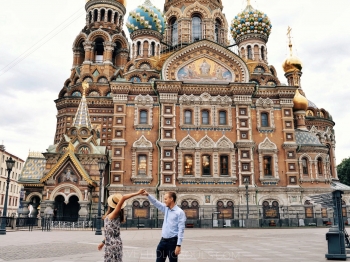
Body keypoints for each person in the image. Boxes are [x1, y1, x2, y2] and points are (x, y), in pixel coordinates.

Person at [97, 189, 144, 262]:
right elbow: (109, 233)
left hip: (112, 244)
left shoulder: (114, 214)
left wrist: (138, 193)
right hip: (111, 243)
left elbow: (124, 197)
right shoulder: (112, 215)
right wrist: (103, 242)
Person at [142, 190, 186, 262]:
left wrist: (178, 245)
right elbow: (156, 202)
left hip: (173, 242)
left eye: (165, 199)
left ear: (171, 199)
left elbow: (181, 230)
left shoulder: (179, 212)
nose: (164, 201)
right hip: (162, 241)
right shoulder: (166, 209)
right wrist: (148, 195)